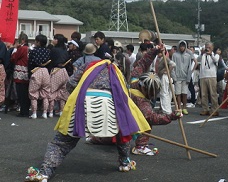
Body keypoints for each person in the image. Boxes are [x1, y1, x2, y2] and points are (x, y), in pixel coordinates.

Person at [24, 51, 152, 182]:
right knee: (122, 132)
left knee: (61, 143)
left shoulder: (89, 65)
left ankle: (45, 172)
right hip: (109, 108)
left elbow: (71, 83)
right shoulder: (119, 74)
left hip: (83, 104)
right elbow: (125, 96)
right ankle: (125, 163)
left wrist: (77, 95)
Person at [130, 44, 182, 156]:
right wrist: (172, 116)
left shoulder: (134, 79)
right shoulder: (143, 103)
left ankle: (99, 139)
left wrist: (155, 51)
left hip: (119, 114)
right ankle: (140, 146)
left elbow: (143, 63)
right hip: (129, 119)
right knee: (146, 123)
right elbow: (154, 118)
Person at [28, 35, 51, 119]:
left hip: (36, 71)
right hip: (45, 71)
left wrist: (29, 73)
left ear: (38, 42)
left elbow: (30, 63)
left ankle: (34, 113)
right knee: (45, 93)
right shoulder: (48, 51)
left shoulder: (33, 51)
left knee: (33, 93)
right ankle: (44, 113)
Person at [48, 34, 70, 118]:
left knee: (52, 92)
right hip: (64, 71)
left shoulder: (54, 50)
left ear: (57, 40)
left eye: (54, 39)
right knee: (63, 93)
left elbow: (51, 61)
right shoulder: (65, 50)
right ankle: (61, 111)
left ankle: (50, 111)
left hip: (56, 71)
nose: (53, 40)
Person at [11, 33, 31, 117]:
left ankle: (23, 111)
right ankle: (25, 110)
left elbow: (13, 58)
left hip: (20, 72)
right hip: (26, 71)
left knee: (21, 93)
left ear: (22, 40)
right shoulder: (28, 48)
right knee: (25, 92)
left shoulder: (22, 48)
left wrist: (15, 49)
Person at [197, 42, 220, 116]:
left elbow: (216, 60)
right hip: (203, 76)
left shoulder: (215, 55)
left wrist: (210, 54)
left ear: (212, 48)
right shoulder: (203, 55)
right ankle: (205, 109)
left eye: (209, 47)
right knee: (203, 94)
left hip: (211, 76)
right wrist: (201, 53)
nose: (208, 49)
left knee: (213, 94)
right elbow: (198, 60)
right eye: (206, 47)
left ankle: (214, 109)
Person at [172, 40, 193, 115]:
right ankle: (179, 108)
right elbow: (172, 67)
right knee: (178, 93)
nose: (182, 48)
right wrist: (174, 77)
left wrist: (188, 78)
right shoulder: (175, 55)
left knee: (184, 93)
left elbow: (189, 67)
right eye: (180, 46)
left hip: (185, 77)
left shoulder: (188, 56)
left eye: (183, 46)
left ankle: (184, 107)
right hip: (177, 77)